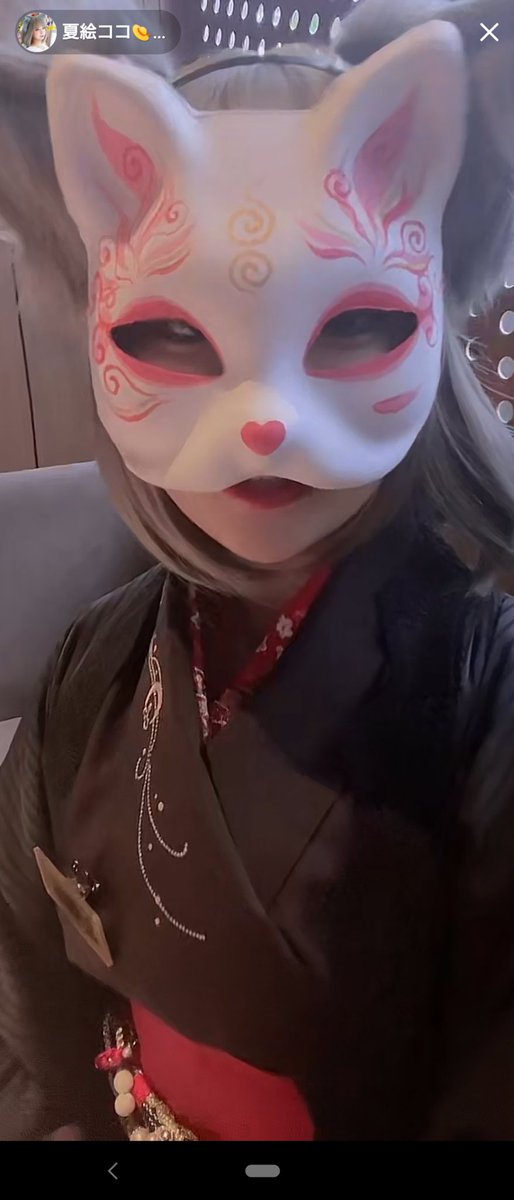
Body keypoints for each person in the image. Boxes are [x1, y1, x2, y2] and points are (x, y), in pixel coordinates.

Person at [1, 0, 514, 1142]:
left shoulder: (484, 693)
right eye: (171, 335)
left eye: (355, 327)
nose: (265, 424)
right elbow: (26, 966)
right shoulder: (97, 658)